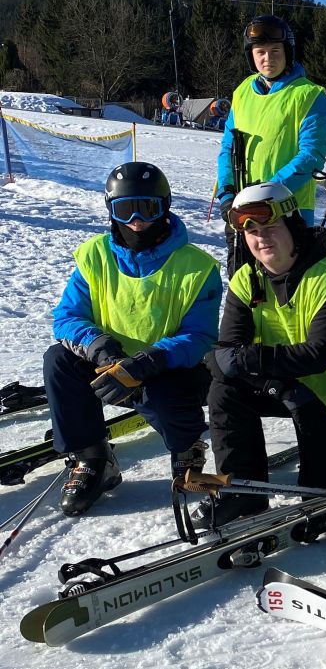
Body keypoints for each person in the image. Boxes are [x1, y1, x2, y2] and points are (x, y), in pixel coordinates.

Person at [44, 162, 221, 516]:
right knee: (58, 360)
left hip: (169, 367)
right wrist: (101, 350)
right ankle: (93, 457)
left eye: (147, 208)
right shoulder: (95, 256)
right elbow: (67, 317)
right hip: (111, 365)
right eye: (125, 209)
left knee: (165, 391)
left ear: (164, 207)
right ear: (110, 209)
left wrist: (148, 361)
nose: (136, 220)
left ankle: (187, 451)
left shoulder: (197, 266)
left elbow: (200, 335)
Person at [200, 183, 326, 526]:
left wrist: (247, 361)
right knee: (225, 389)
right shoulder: (247, 278)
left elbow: (318, 356)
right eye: (252, 232)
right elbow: (227, 353)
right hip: (288, 387)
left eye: (270, 228)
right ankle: (242, 491)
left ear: (294, 226)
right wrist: (277, 385)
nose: (261, 239)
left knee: (323, 493)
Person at [215, 16, 326, 235]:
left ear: (287, 52)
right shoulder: (242, 92)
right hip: (243, 209)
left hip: (290, 210)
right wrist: (226, 192)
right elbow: (227, 148)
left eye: (275, 51)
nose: (268, 58)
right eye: (260, 52)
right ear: (251, 55)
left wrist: (266, 193)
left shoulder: (310, 95)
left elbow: (311, 156)